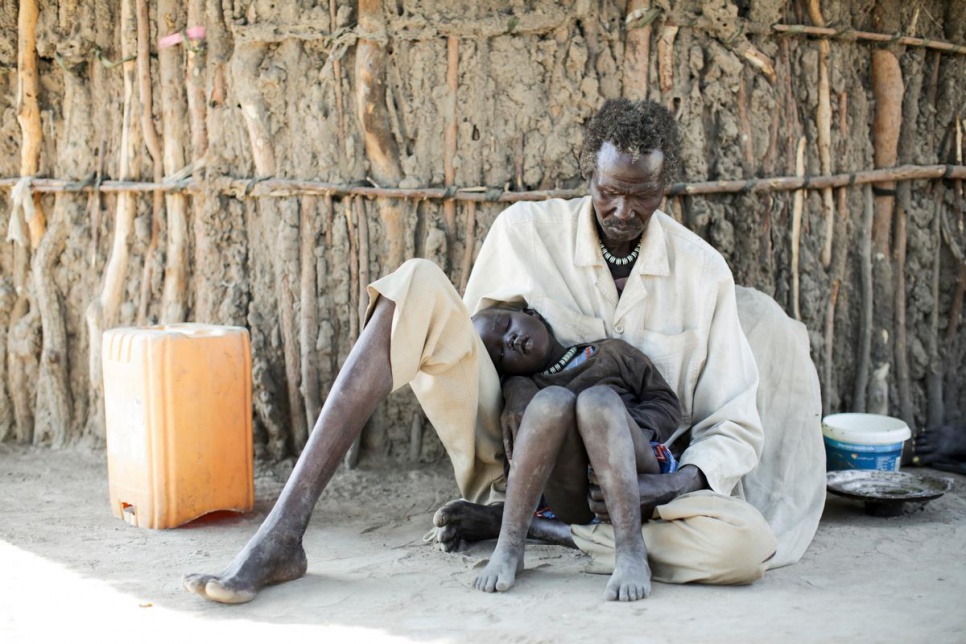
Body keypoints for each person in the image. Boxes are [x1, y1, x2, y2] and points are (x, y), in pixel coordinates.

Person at [183, 98, 824, 605]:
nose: (624, 209)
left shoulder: (701, 272)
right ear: (589, 175)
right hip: (522, 446)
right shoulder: (525, 232)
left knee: (745, 549)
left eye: (643, 196)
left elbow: (732, 426)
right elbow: (474, 346)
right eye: (609, 191)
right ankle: (283, 534)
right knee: (411, 287)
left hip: (630, 479)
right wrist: (527, 370)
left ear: (668, 189)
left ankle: (550, 533)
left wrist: (663, 486)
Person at [470, 305, 681, 600]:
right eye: (501, 355)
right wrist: (514, 388)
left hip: (634, 472)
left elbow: (667, 404)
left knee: (597, 400)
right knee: (551, 401)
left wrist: (627, 429)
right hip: (575, 499)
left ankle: (631, 551)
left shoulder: (613, 353)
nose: (510, 340)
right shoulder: (525, 394)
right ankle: (510, 545)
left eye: (506, 324)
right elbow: (519, 463)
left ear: (531, 313)